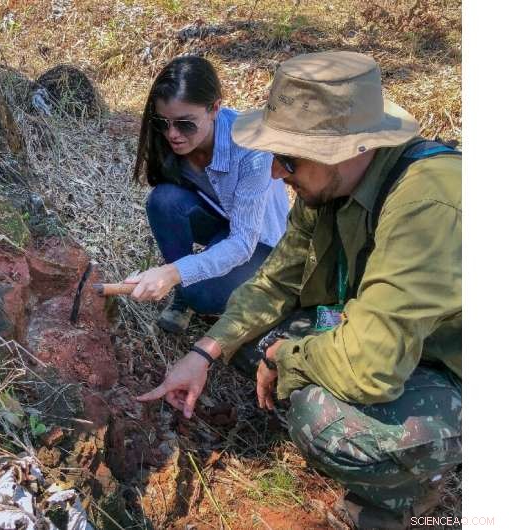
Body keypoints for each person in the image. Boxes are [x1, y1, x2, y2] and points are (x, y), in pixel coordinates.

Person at [136, 51, 462, 529]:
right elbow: (275, 280)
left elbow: (371, 366)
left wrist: (284, 359)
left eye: (287, 159)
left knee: (321, 420)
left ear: (348, 149)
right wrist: (204, 353)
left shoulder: (429, 203)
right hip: (391, 336)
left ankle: (408, 496)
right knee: (250, 339)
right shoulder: (329, 184)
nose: (275, 174)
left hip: (451, 364)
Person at [126, 55, 290, 333]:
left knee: (201, 296)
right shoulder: (169, 139)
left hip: (260, 241)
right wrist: (179, 273)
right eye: (163, 123)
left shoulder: (252, 151)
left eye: (185, 123)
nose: (172, 134)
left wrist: (173, 273)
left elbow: (242, 243)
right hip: (221, 220)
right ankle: (183, 296)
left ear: (215, 108)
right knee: (163, 201)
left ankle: (196, 293)